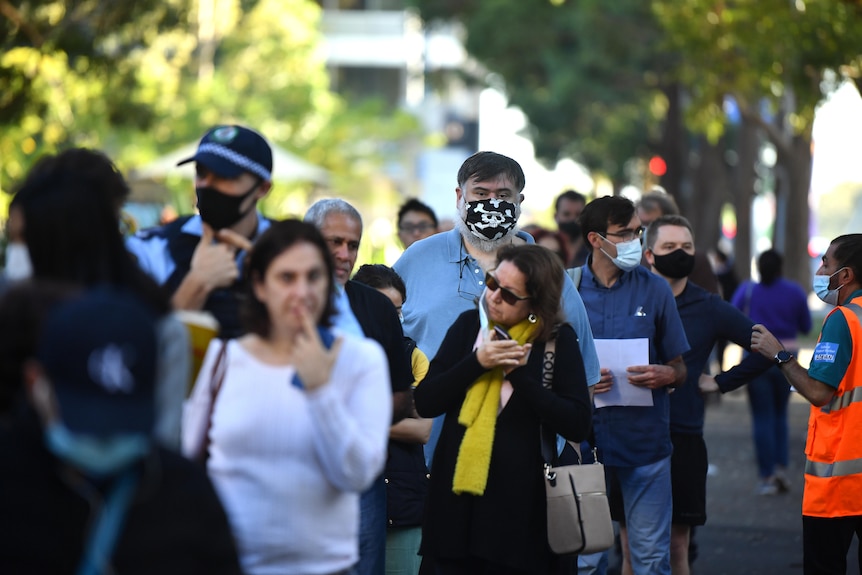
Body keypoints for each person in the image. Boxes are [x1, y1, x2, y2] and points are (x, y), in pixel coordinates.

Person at [182, 219, 391, 575]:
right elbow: (186, 462)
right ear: (260, 286)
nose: (302, 292)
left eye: (314, 277)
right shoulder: (222, 360)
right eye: (286, 278)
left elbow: (357, 474)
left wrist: (321, 391)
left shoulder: (361, 360)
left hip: (326, 568)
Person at [0, 287, 241, 574]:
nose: (104, 439)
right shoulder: (9, 485)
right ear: (36, 384)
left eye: (121, 423)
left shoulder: (187, 494)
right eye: (85, 421)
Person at [393, 151, 601, 470]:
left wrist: (564, 448)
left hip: (526, 462)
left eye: (503, 195)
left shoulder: (549, 273)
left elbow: (582, 376)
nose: (492, 204)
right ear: (460, 196)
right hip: (433, 461)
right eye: (481, 193)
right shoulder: (417, 259)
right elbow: (387, 342)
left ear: (519, 202)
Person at [414, 244, 593, 574]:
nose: (494, 297)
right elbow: (426, 401)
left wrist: (519, 376)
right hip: (455, 509)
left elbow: (578, 423)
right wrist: (478, 363)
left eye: (509, 295)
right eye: (493, 283)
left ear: (535, 304)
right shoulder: (470, 326)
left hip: (521, 517)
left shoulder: (555, 341)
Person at [10, 148, 190, 450]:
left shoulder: (157, 327)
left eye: (26, 239)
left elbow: (163, 445)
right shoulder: (14, 313)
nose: (19, 254)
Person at [644, 216, 775, 574]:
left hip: (683, 435)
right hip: (629, 434)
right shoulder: (630, 297)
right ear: (649, 255)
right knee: (631, 544)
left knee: (676, 545)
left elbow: (768, 348)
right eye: (669, 247)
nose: (680, 254)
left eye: (686, 247)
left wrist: (720, 381)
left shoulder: (708, 305)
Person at [572, 195, 689, 575]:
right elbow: (544, 364)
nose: (634, 241)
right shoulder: (565, 288)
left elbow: (679, 366)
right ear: (595, 239)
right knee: (584, 560)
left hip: (645, 443)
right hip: (582, 444)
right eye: (624, 233)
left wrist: (666, 375)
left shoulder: (655, 290)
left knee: (651, 560)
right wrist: (582, 380)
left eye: (637, 231)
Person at [305, 198, 414, 575]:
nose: (343, 254)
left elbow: (402, 397)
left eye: (352, 245)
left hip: (360, 468)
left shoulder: (376, 308)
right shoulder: (279, 299)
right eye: (333, 241)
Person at [748, 234, 862, 575]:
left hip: (839, 480)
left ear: (845, 276)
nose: (820, 268)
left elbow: (818, 391)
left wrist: (779, 355)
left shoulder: (845, 320)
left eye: (826, 262)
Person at [127, 124, 274, 338]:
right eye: (201, 173)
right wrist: (198, 282)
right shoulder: (152, 249)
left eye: (226, 176)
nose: (207, 185)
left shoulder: (294, 249)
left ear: (262, 189)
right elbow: (136, 348)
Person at [354, 263, 432, 575]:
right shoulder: (333, 351)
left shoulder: (412, 357)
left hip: (403, 501)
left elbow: (422, 429)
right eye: (384, 309)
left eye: (398, 311)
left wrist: (356, 416)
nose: (393, 319)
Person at [732, 249, 811, 495]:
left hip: (755, 359)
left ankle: (766, 476)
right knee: (780, 415)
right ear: (781, 267)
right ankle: (780, 468)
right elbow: (806, 325)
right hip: (787, 360)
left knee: (762, 417)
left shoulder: (747, 290)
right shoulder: (795, 291)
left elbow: (732, 318)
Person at [635, 187, 719, 294]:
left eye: (652, 223)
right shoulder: (636, 262)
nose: (646, 229)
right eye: (642, 224)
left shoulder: (694, 260)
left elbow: (712, 304)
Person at [554, 190, 589, 267]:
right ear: (556, 216)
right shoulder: (548, 245)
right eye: (566, 214)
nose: (573, 219)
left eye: (578, 214)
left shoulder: (594, 249)